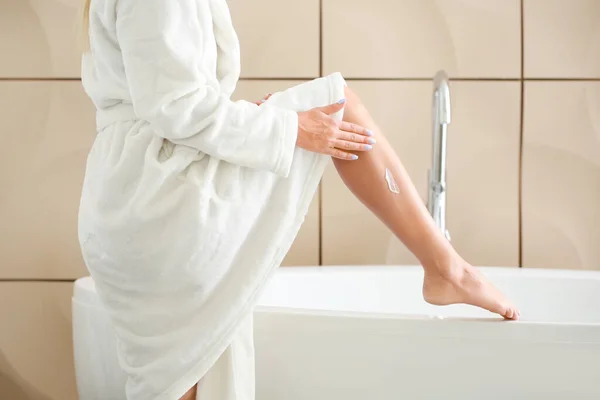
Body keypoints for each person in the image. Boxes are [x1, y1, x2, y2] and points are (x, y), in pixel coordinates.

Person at [78, 0, 519, 399]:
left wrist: (257, 117)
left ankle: (446, 268)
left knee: (184, 384)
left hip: (135, 204)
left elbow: (168, 100)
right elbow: (177, 106)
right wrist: (291, 128)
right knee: (337, 106)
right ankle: (446, 268)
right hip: (160, 199)